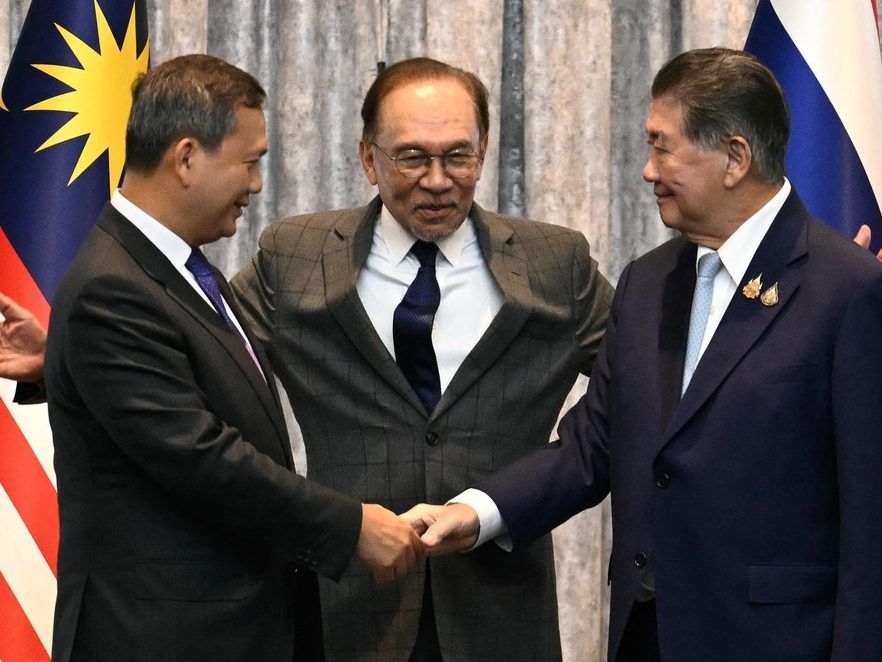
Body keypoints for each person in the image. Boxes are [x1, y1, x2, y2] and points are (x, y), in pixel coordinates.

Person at [405, 48, 882, 662]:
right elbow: (593, 443)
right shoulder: (649, 282)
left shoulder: (845, 289)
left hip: (775, 641)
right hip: (647, 635)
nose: (648, 170)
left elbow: (871, 523)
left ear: (734, 157)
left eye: (663, 146)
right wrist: (474, 512)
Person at [38, 54, 421, 662]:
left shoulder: (176, 269)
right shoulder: (114, 287)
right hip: (161, 638)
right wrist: (351, 528)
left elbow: (175, 390)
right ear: (187, 158)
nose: (257, 184)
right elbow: (201, 456)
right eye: (250, 162)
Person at [229, 57, 613, 661]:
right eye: (411, 157)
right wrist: (62, 357)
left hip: (501, 614)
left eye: (458, 156)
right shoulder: (297, 255)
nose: (438, 180)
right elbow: (205, 353)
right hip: (346, 613)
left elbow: (640, 385)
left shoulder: (554, 263)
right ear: (367, 158)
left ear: (483, 152)